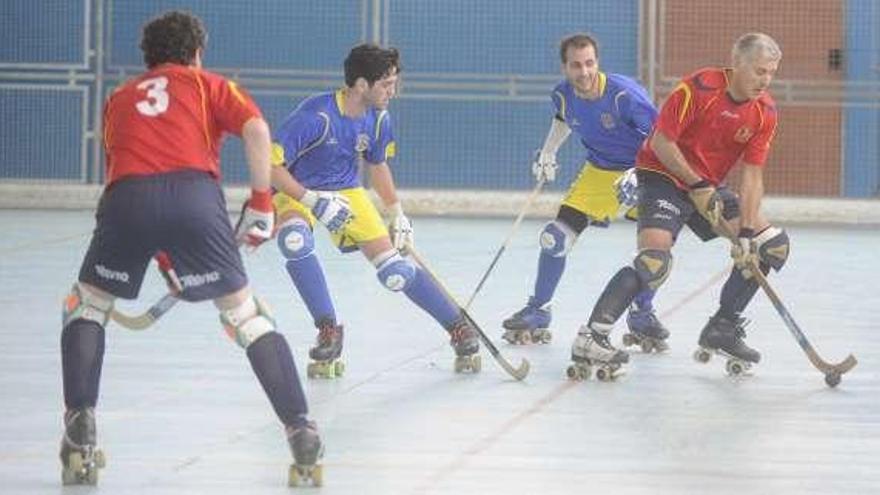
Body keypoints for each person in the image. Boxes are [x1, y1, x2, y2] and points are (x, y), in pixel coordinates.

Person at [58, 11, 321, 486]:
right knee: (246, 316)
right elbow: (257, 130)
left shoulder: (118, 98)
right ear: (197, 53)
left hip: (125, 199)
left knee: (87, 306)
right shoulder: (208, 85)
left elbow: (122, 174)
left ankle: (79, 421)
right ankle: (300, 428)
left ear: (148, 58)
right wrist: (262, 204)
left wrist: (162, 255)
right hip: (195, 197)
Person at [567, 32, 786, 381]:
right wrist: (697, 185)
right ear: (738, 63)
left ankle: (723, 328)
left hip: (709, 185)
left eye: (771, 72)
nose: (765, 80)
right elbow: (661, 141)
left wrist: (745, 233)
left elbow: (753, 176)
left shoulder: (764, 112)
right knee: (654, 262)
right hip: (662, 175)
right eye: (759, 71)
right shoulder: (698, 88)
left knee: (769, 246)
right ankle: (591, 336)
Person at [270, 43, 480, 377]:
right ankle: (329, 329)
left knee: (395, 273)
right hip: (299, 191)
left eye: (394, 82)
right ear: (361, 85)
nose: (392, 91)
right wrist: (312, 201)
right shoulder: (315, 116)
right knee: (294, 241)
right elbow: (271, 167)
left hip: (348, 192)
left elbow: (377, 164)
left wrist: (396, 212)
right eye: (386, 84)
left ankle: (458, 326)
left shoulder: (379, 118)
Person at [502, 33, 667, 351]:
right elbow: (564, 119)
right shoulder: (563, 95)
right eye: (576, 65)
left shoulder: (624, 96)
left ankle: (642, 314)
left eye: (590, 63)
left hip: (646, 171)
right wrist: (549, 151)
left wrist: (639, 171)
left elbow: (661, 138)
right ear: (565, 67)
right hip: (600, 172)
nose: (585, 72)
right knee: (555, 238)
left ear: (598, 63)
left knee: (655, 252)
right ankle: (538, 310)